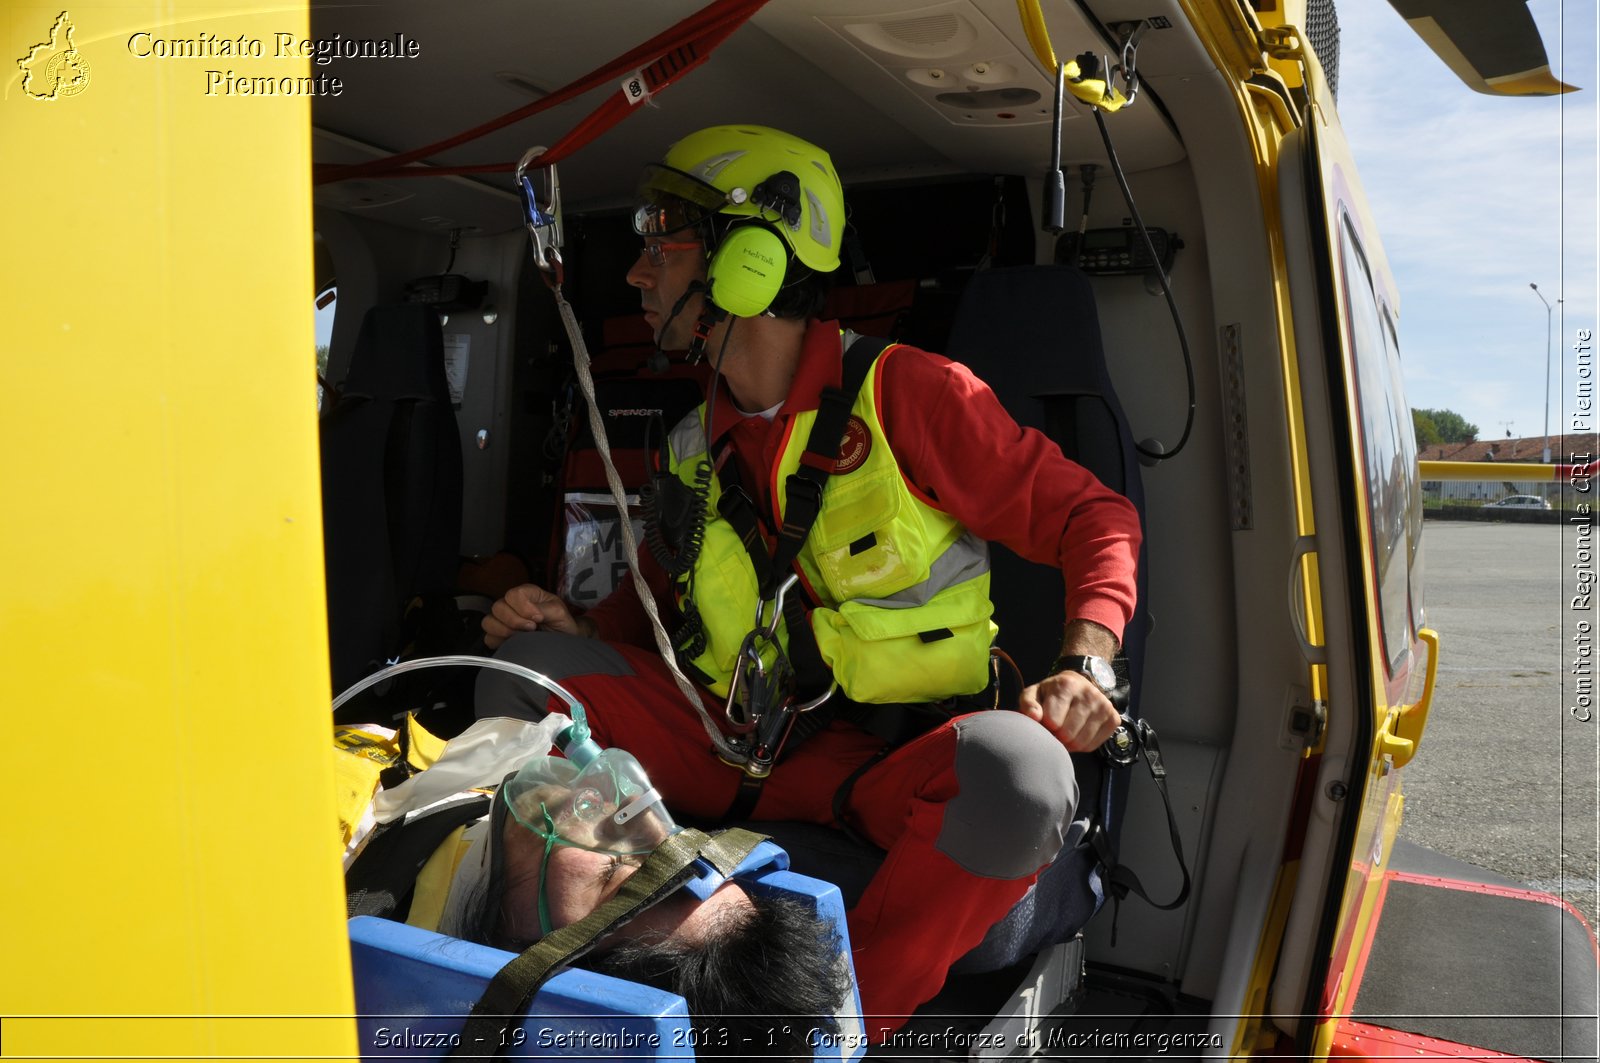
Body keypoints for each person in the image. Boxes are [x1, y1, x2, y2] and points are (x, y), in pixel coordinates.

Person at [476, 124, 1141, 1034]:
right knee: (533, 671)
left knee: (1026, 773)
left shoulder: (911, 394)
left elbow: (1094, 517)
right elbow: (659, 622)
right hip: (731, 749)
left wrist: (1087, 661)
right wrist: (578, 628)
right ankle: (532, 986)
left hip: (889, 764)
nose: (636, 275)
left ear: (748, 260)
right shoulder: (686, 446)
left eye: (659, 243)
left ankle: (829, 1029)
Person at [346, 724, 852, 1059]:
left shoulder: (318, 899)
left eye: (612, 874)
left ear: (536, 979)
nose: (625, 809)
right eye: (683, 842)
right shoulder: (451, 778)